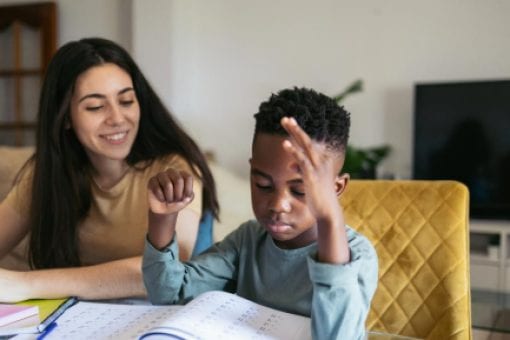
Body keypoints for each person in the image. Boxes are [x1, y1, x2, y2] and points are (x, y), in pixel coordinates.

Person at [142, 87, 378, 339]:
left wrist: (330, 218)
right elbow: (171, 294)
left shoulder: (357, 255)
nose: (278, 205)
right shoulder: (248, 241)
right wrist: (162, 219)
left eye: (300, 190)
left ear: (336, 188)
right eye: (263, 185)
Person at [0, 37, 219, 302]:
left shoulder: (173, 169)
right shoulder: (47, 175)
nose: (117, 119)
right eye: (95, 106)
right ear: (65, 117)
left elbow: (166, 270)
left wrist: (25, 284)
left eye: (126, 101)